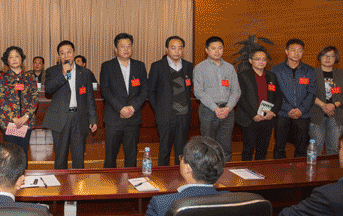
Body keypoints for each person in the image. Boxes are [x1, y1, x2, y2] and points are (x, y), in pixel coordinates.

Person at [44, 41, 98, 169]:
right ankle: (61, 181)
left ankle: (78, 180)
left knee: (79, 156)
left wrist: (92, 119)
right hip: (60, 118)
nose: (66, 55)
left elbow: (90, 97)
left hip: (79, 118)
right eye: (62, 53)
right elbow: (48, 90)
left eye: (69, 52)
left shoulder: (85, 73)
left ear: (74, 53)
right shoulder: (52, 71)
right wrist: (63, 74)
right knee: (60, 156)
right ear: (59, 56)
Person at [99, 33, 148, 168]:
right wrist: (121, 108)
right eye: (122, 46)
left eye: (129, 46)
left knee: (131, 156)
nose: (126, 49)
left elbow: (144, 90)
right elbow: (105, 91)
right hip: (113, 119)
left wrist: (132, 107)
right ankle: (109, 180)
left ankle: (130, 180)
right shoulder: (107, 66)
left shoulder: (139, 66)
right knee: (110, 156)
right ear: (116, 49)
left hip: (133, 118)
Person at [147, 36, 193, 166]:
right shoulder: (157, 66)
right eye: (173, 48)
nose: (177, 51)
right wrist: (159, 110)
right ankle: (162, 176)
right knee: (164, 150)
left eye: (180, 48)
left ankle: (180, 174)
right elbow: (151, 91)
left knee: (181, 151)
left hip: (183, 115)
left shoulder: (188, 66)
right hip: (165, 116)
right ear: (167, 49)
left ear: (183, 50)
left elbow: (189, 88)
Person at [193, 37, 241, 161]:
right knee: (208, 147)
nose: (217, 51)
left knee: (225, 146)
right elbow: (198, 91)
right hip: (208, 111)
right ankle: (208, 171)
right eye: (213, 48)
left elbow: (236, 91)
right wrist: (215, 108)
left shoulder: (230, 68)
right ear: (207, 50)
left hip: (227, 111)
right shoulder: (199, 68)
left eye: (220, 48)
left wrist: (228, 108)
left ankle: (225, 171)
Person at [272, 39, 317, 159]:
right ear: (286, 51)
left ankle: (300, 170)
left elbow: (312, 92)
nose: (296, 53)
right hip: (282, 113)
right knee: (279, 147)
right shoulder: (276, 70)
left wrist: (301, 109)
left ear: (303, 52)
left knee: (301, 147)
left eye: (300, 50)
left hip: (303, 114)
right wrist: (288, 109)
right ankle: (279, 169)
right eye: (293, 50)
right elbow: (275, 93)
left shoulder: (309, 70)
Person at [235, 49, 283, 161]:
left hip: (267, 118)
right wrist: (253, 115)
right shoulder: (243, 75)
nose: (261, 62)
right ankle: (246, 171)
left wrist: (273, 112)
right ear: (250, 60)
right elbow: (240, 98)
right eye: (257, 59)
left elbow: (278, 96)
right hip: (249, 119)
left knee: (263, 150)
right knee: (248, 150)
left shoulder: (271, 76)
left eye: (264, 59)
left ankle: (260, 171)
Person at [310, 46, 343, 155]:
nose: (327, 58)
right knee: (316, 149)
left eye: (331, 56)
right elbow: (308, 93)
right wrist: (323, 105)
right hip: (317, 115)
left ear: (336, 58)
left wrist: (334, 105)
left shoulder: (342, 74)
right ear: (320, 57)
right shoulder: (312, 73)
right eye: (325, 55)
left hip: (336, 116)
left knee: (333, 149)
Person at [0, 46, 38, 153]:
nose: (14, 59)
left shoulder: (30, 77)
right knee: (11, 153)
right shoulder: (3, 77)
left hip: (26, 122)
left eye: (17, 56)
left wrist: (25, 117)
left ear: (22, 58)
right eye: (11, 57)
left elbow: (34, 98)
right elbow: (1, 99)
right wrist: (14, 118)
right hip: (9, 122)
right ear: (7, 60)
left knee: (23, 152)